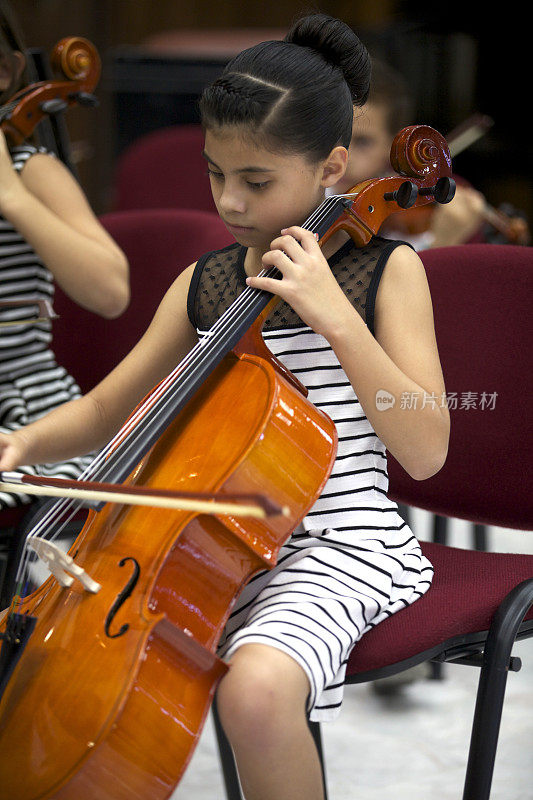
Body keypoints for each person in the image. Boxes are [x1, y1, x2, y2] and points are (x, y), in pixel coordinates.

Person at [0, 13, 449, 800]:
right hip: (199, 547)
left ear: (331, 167)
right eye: (215, 174)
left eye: (256, 180)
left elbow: (423, 448)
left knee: (253, 690)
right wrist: (19, 446)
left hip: (334, 547)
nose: (230, 201)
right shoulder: (208, 282)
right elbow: (109, 410)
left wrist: (334, 316)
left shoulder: (386, 274)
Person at [0, 0, 129, 517]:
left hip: (24, 414)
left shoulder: (31, 171)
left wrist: (12, 199)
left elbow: (111, 291)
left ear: (5, 72)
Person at [330, 57, 489, 250]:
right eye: (331, 136)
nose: (340, 156)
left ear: (394, 145)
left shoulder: (418, 203)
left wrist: (444, 241)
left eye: (362, 142)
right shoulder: (306, 197)